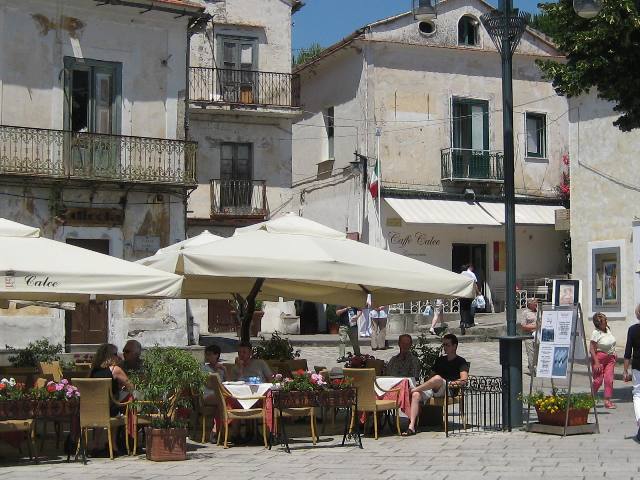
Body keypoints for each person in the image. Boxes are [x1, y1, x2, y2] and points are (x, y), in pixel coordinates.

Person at [403, 333, 469, 436]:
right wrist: (427, 384)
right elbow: (430, 377)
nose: (445, 347)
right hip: (434, 388)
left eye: (447, 345)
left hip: (449, 389)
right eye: (444, 345)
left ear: (454, 346)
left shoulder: (461, 361)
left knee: (438, 378)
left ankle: (414, 389)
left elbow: (464, 380)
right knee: (416, 395)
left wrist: (451, 383)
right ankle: (411, 427)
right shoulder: (440, 360)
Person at [90, 343, 132, 414]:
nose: (118, 357)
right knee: (133, 394)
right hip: (111, 410)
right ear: (109, 356)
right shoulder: (115, 370)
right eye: (115, 354)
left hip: (94, 410)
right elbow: (131, 387)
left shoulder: (93, 371)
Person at [590, 312, 617, 409]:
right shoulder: (595, 333)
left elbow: (611, 342)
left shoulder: (608, 329)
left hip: (610, 358)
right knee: (598, 381)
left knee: (609, 380)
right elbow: (592, 349)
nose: (606, 321)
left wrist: (614, 352)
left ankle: (607, 401)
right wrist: (596, 362)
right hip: (599, 358)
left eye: (606, 320)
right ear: (598, 323)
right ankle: (591, 398)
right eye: (604, 320)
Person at [623, 304, 640, 441]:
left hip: (638, 366)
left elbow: (628, 352)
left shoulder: (633, 330)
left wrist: (625, 370)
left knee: (637, 394)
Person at [459, 264, 480, 334]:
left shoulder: (459, 275)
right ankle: (467, 323)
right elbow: (474, 284)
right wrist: (477, 292)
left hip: (461, 294)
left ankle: (462, 322)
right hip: (468, 294)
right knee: (468, 309)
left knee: (462, 309)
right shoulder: (470, 275)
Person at [521, 298, 538, 375]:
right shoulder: (525, 313)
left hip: (538, 335)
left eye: (536, 302)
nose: (536, 304)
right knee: (531, 353)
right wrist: (535, 327)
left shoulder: (539, 311)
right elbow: (523, 326)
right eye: (534, 303)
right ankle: (532, 370)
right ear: (529, 304)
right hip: (529, 336)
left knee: (537, 353)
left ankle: (532, 365)